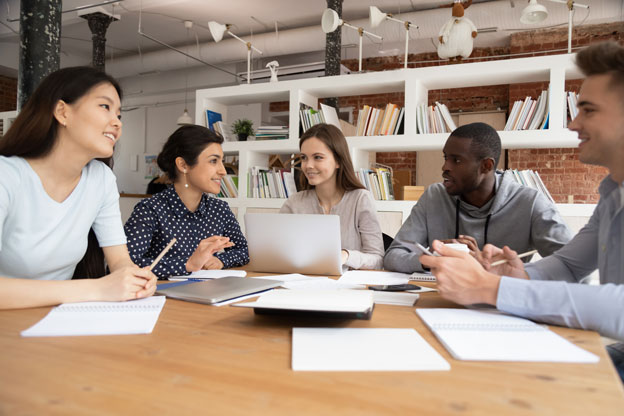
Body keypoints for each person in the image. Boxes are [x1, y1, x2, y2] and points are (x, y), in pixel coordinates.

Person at [419, 41, 624, 381]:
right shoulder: (613, 192)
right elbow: (570, 263)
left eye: (588, 110)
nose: (574, 125)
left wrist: (490, 288)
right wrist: (521, 276)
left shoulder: (530, 200)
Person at [0, 66, 157, 309]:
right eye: (105, 107)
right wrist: (98, 288)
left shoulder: (101, 179)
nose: (116, 123)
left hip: (58, 321)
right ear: (62, 112)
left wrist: (133, 278)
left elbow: (119, 260)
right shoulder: (7, 175)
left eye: (119, 115)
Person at [384, 122, 572, 273]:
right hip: (442, 302)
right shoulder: (434, 196)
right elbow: (393, 256)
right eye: (445, 158)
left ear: (486, 166)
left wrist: (503, 270)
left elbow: (572, 267)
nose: (445, 167)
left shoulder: (531, 203)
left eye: (456, 160)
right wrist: (432, 259)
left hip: (503, 305)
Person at [124, 125, 249, 278]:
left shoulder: (219, 209)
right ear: (183, 165)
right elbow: (126, 265)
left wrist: (220, 261)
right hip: (161, 297)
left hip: (208, 294)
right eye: (213, 161)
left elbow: (243, 250)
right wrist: (188, 264)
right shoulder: (150, 210)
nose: (223, 170)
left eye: (221, 161)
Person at [280, 123, 384, 270]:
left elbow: (377, 259)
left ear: (338, 161)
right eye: (304, 157)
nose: (308, 165)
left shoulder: (361, 199)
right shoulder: (294, 203)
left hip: (350, 289)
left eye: (318, 157)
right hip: (303, 283)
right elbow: (278, 253)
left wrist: (346, 256)